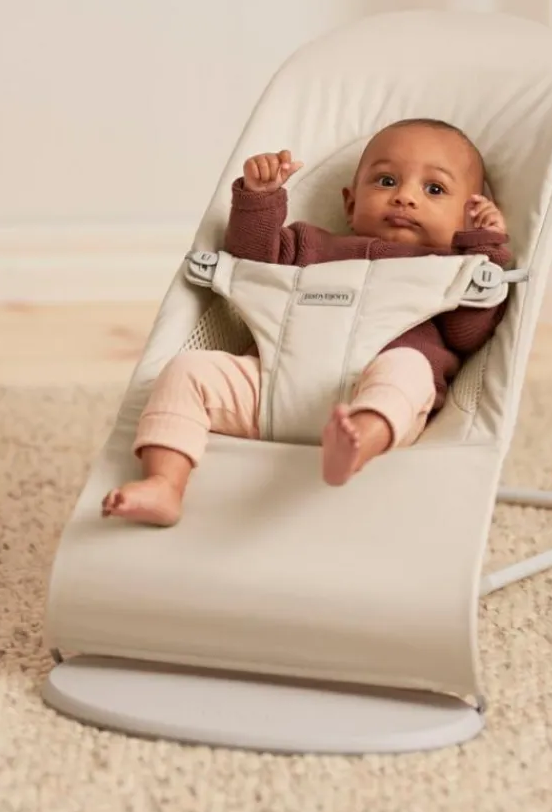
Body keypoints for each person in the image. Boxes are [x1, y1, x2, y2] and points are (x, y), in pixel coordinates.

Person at [102, 118, 512, 526]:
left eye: (434, 189)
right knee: (188, 370)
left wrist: (485, 251)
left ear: (467, 218)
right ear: (350, 204)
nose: (404, 197)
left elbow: (467, 336)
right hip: (268, 389)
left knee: (409, 370)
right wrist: (260, 199)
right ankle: (164, 482)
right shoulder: (309, 245)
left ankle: (357, 442)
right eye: (386, 181)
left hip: (371, 392)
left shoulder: (451, 268)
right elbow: (251, 260)